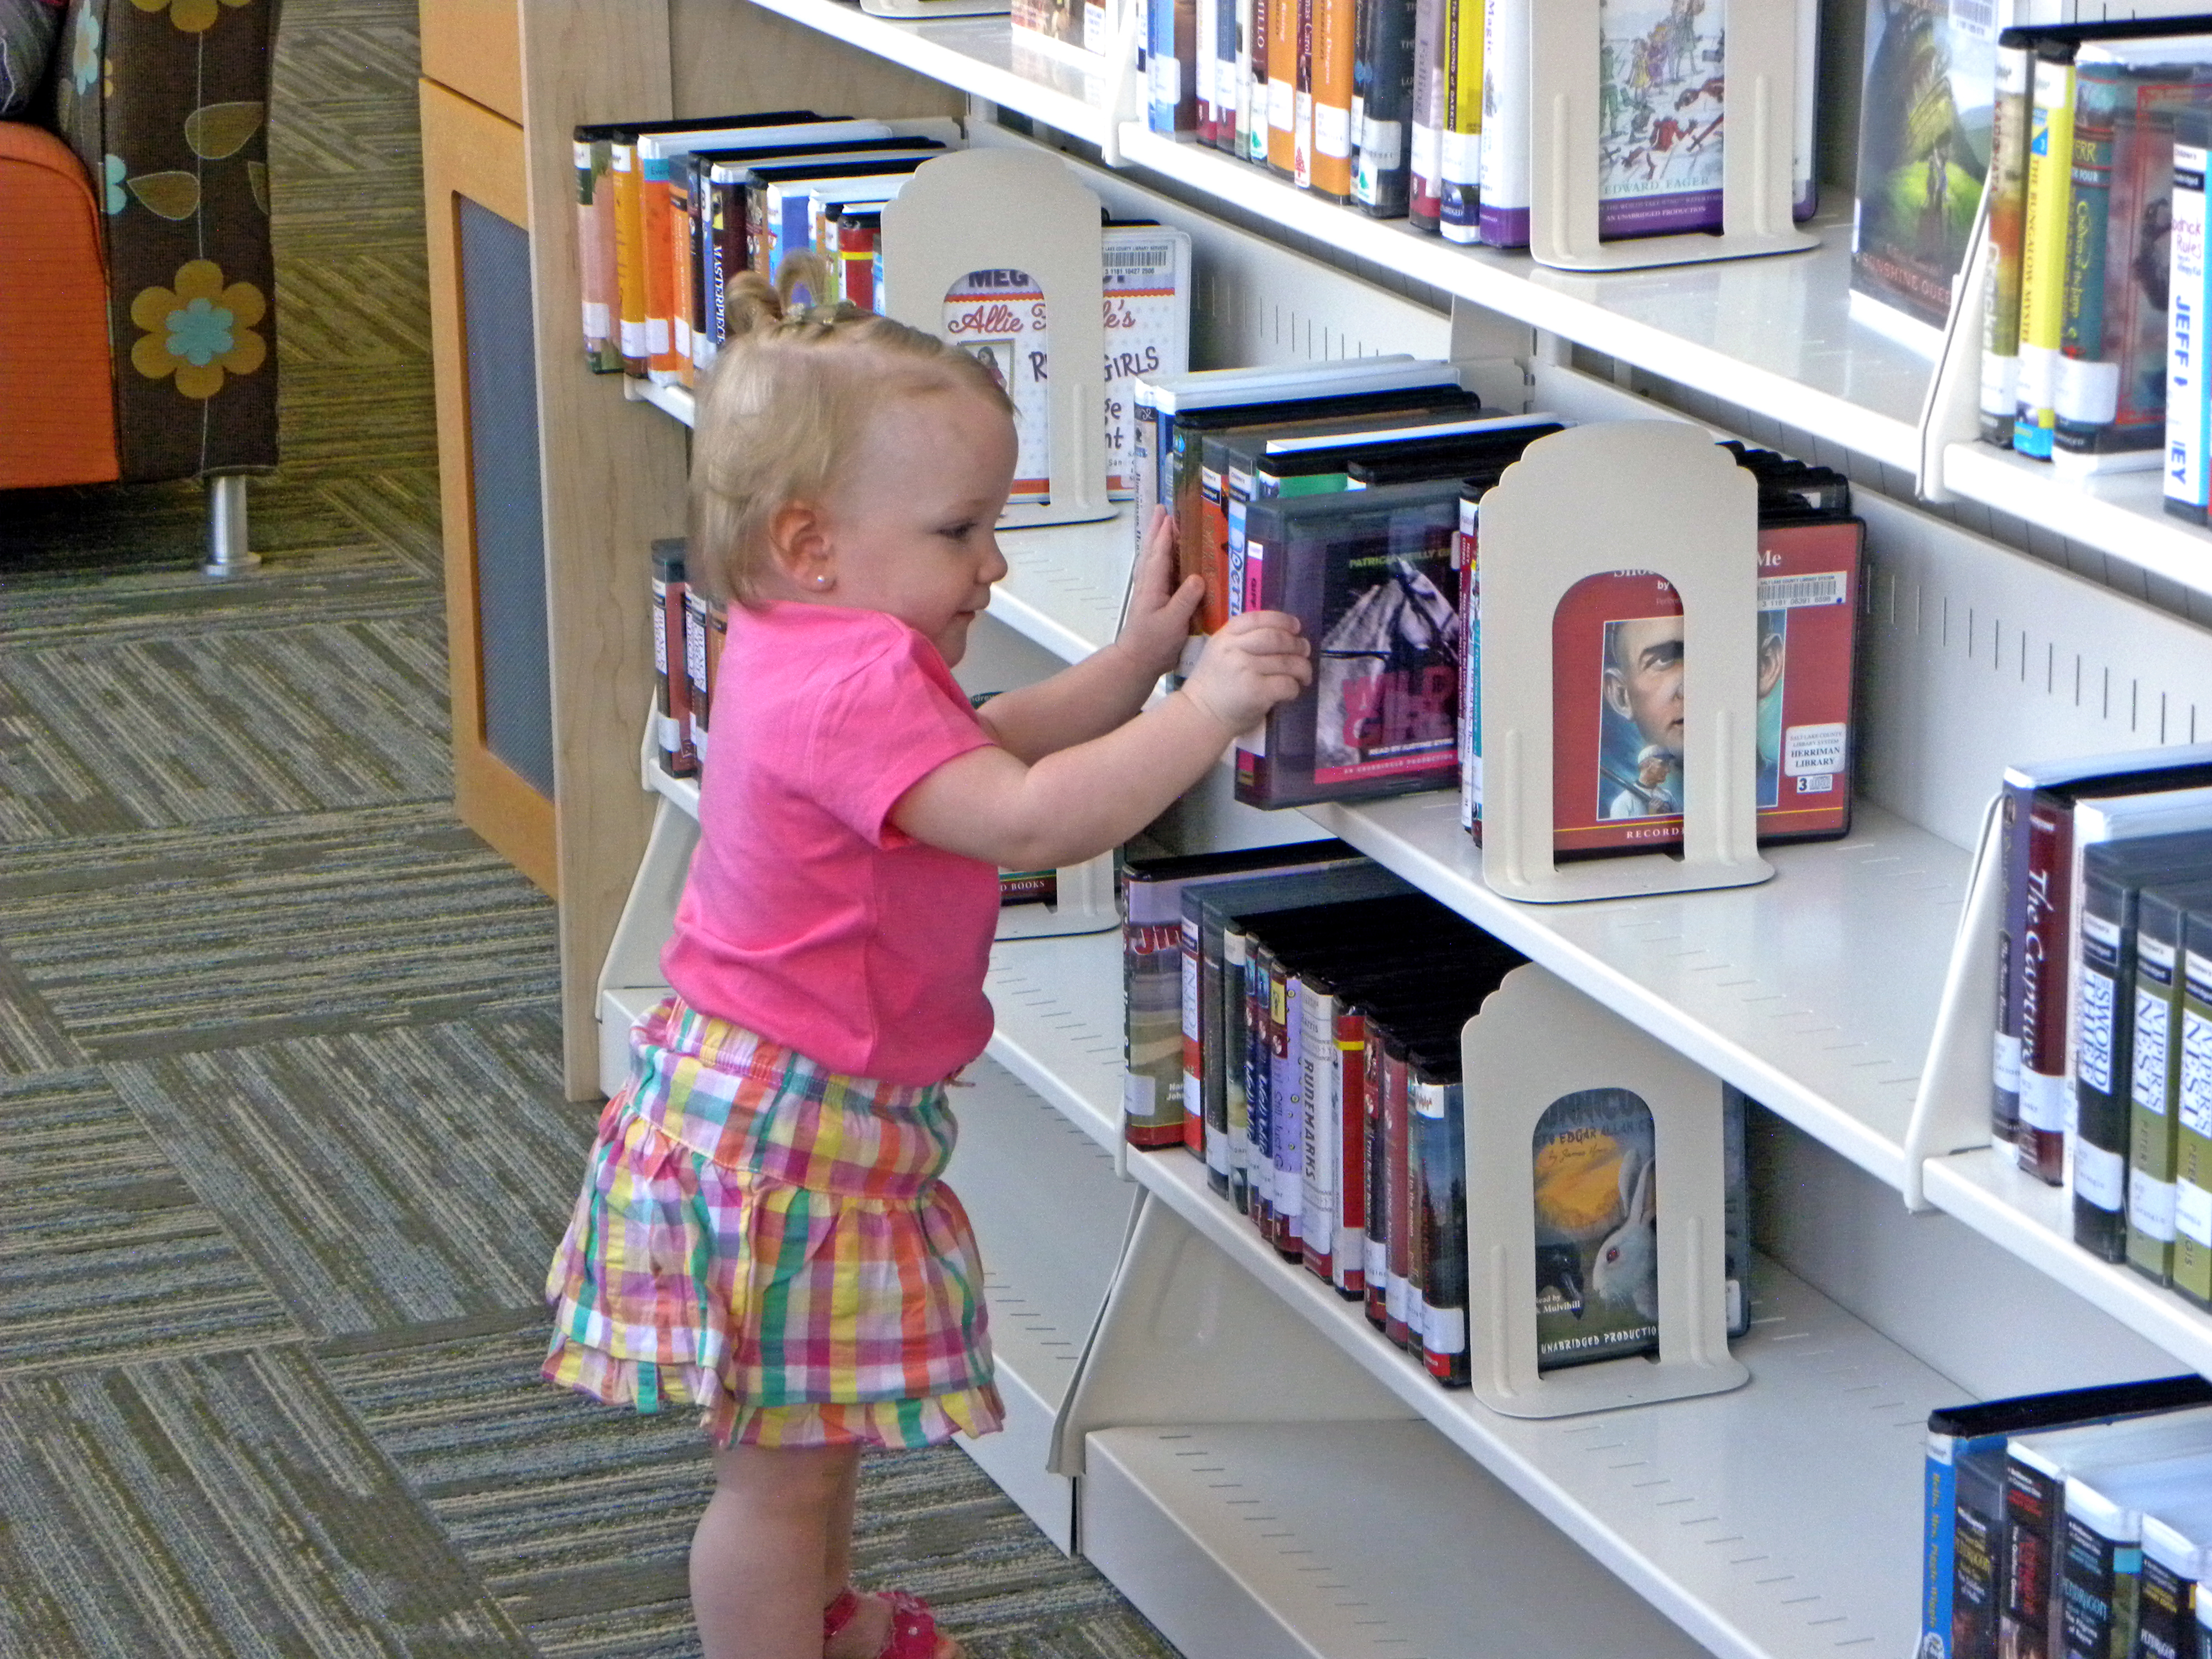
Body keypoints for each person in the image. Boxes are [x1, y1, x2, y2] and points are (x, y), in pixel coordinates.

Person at [540, 267, 1312, 1659]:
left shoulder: (813, 642)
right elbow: (1025, 814)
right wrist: (1204, 707)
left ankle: (818, 1630)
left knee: (807, 1447)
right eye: (962, 531)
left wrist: (1135, 663)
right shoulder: (848, 682)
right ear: (812, 540)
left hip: (786, 1110)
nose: (995, 565)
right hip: (788, 1134)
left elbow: (994, 738)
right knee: (778, 1478)